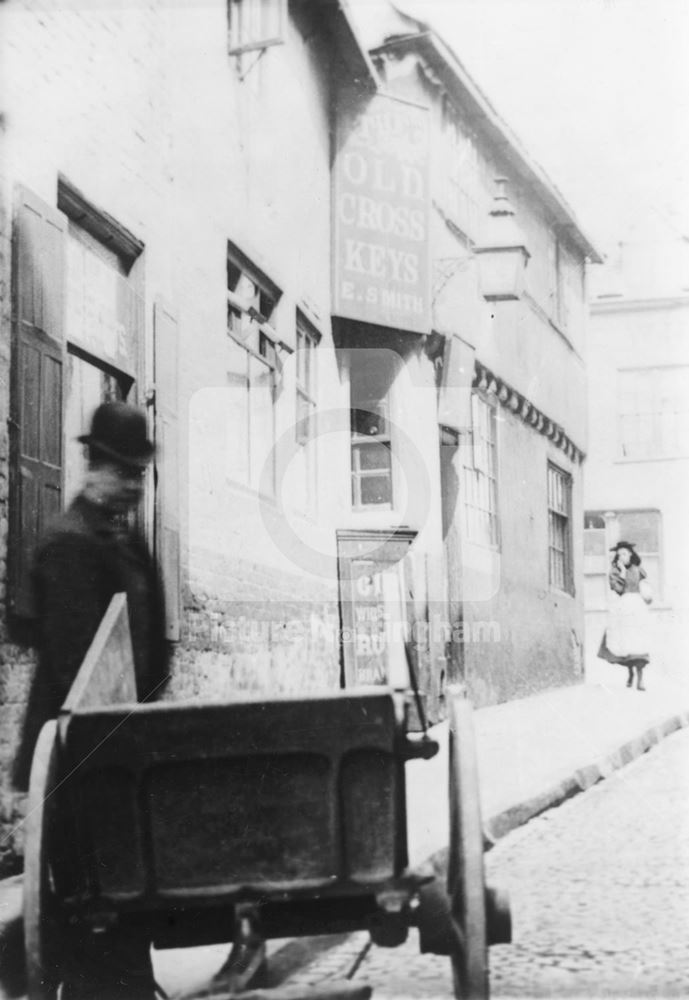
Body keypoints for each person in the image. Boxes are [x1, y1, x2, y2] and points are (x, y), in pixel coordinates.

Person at [18, 400, 169, 999]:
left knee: (124, 921)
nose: (134, 486)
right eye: (124, 473)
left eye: (139, 474)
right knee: (95, 917)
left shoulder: (123, 539)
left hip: (121, 755)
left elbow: (150, 641)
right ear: (93, 466)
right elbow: (80, 668)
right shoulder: (68, 543)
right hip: (79, 764)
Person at [598, 540, 653, 690]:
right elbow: (619, 590)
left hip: (638, 607)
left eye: (625, 553)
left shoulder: (638, 569)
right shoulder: (615, 572)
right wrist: (622, 572)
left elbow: (645, 587)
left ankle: (641, 679)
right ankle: (630, 673)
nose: (622, 556)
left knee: (639, 640)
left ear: (630, 554)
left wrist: (647, 595)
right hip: (623, 607)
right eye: (619, 554)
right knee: (625, 641)